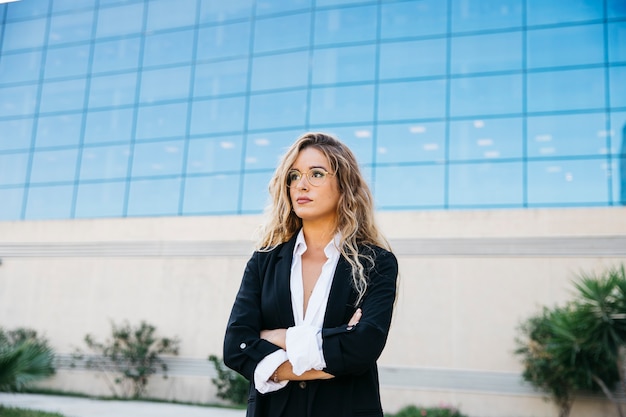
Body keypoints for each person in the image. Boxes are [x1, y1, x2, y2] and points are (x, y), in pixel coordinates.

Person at [223, 132, 398, 417]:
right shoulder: (264, 262)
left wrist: (278, 338)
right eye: (294, 175)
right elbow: (236, 348)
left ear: (344, 186)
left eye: (316, 174)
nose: (301, 185)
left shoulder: (376, 263)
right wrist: (327, 361)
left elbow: (362, 347)